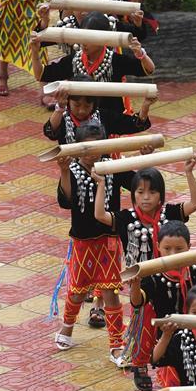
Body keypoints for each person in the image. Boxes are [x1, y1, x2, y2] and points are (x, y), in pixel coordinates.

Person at [95, 169, 196, 391]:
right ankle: (140, 363)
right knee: (143, 321)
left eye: (152, 192)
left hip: (170, 277)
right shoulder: (126, 218)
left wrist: (189, 172)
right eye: (140, 192)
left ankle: (172, 360)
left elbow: (195, 202)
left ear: (161, 196)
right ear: (132, 194)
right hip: (143, 282)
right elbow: (101, 216)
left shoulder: (170, 214)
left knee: (173, 317)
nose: (146, 197)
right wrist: (100, 185)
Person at [54, 120, 133, 361]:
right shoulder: (75, 170)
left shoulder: (112, 167)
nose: (93, 154)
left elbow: (136, 182)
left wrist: (144, 156)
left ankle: (116, 343)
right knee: (78, 291)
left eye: (98, 147)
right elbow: (66, 201)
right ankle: (67, 327)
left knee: (111, 292)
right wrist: (64, 170)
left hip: (109, 240)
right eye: (86, 149)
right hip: (83, 241)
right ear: (77, 148)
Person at [125, 221, 196, 391]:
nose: (173, 254)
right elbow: (137, 302)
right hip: (168, 343)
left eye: (179, 249)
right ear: (158, 249)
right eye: (167, 249)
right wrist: (135, 283)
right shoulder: (153, 277)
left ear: (189, 249)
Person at [37, 11, 154, 113]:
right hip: (80, 122)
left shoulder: (115, 60)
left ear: (104, 39)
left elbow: (148, 69)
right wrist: (33, 49)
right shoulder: (73, 61)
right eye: (82, 37)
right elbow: (41, 74)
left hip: (111, 122)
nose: (84, 43)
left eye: (89, 39)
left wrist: (140, 54)